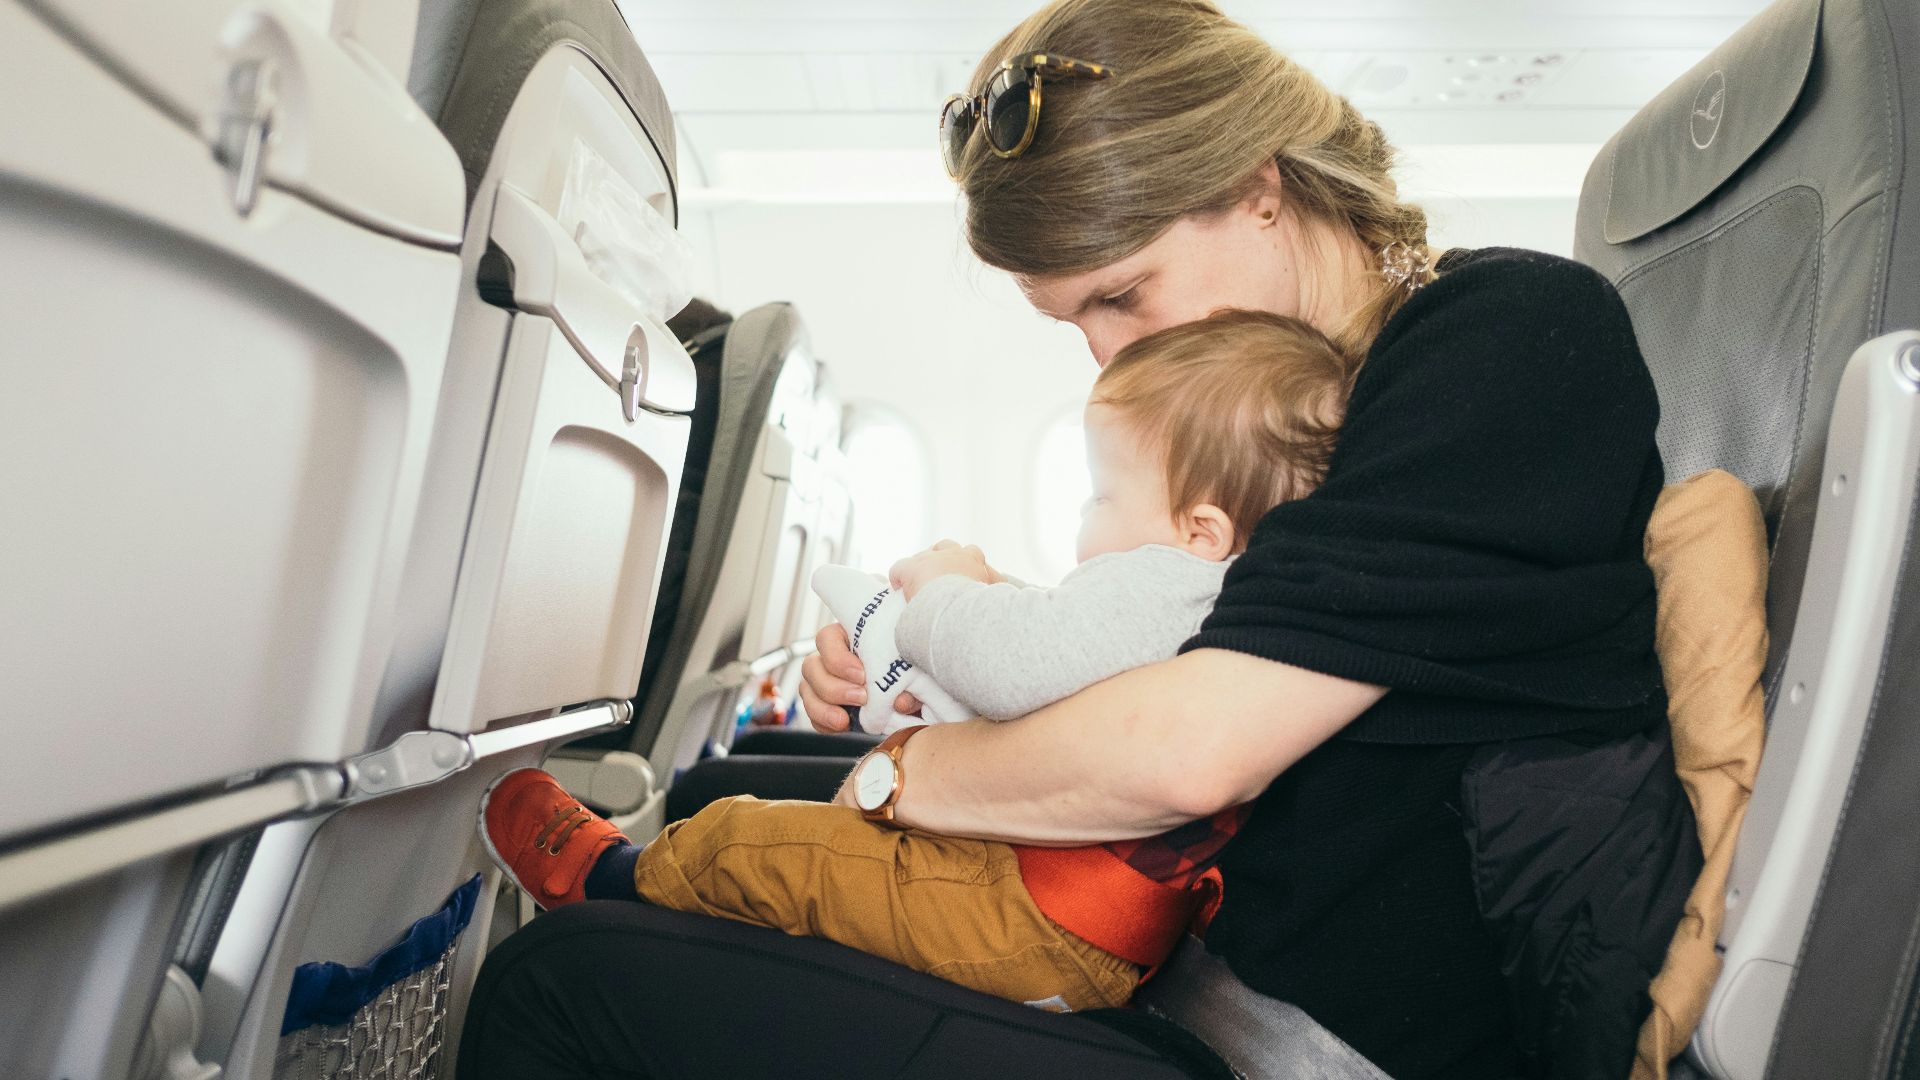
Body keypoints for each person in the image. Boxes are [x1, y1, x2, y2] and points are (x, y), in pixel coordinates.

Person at [459, 2, 1699, 1077]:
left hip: (1283, 1041)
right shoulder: (1304, 392)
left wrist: (911, 777)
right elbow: (1204, 636)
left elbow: (1188, 755)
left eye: (1122, 293)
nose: (1109, 350)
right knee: (719, 800)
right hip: (1164, 968)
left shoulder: (1509, 338)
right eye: (1073, 319)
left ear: (1261, 190)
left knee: (562, 987)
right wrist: (934, 670)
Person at [479, 310, 1351, 1013]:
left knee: (757, 840)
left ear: (1201, 528)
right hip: (1070, 920)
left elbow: (1017, 663)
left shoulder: (1170, 580)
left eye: (1101, 494)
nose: (1088, 520)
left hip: (1032, 913)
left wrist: (943, 590)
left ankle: (609, 882)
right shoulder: (1220, 592)